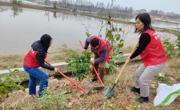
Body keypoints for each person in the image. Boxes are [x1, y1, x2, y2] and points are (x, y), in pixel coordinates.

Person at [128, 13, 167, 103]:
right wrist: (131, 55)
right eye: (135, 22)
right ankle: (137, 88)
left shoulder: (145, 35)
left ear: (144, 23)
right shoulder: (149, 31)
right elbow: (142, 47)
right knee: (138, 73)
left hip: (157, 62)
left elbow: (139, 50)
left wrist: (130, 57)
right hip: (151, 59)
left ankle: (145, 97)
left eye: (138, 23)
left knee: (143, 80)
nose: (136, 24)